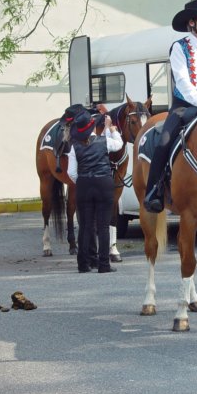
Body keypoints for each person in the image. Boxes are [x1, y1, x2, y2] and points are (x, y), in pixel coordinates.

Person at [143, 0, 197, 213]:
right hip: (185, 105)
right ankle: (154, 191)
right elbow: (181, 81)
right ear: (192, 23)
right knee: (164, 142)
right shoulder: (179, 48)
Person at [67, 109, 123, 273]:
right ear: (93, 127)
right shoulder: (104, 141)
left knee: (85, 226)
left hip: (84, 184)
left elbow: (71, 172)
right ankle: (104, 264)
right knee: (103, 226)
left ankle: (83, 265)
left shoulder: (73, 147)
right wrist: (111, 129)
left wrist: (83, 179)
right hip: (104, 183)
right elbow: (118, 144)